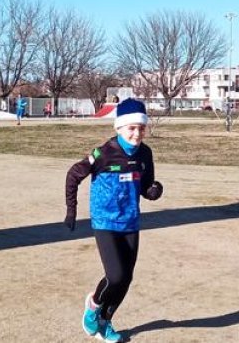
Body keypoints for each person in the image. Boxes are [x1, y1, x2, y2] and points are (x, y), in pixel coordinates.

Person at [64, 98, 163, 342]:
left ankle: (105, 321)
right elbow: (73, 175)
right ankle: (93, 305)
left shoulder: (145, 154)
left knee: (126, 278)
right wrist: (71, 210)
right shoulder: (104, 154)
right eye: (131, 128)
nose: (137, 133)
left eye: (141, 128)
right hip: (105, 221)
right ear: (118, 128)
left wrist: (153, 191)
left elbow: (145, 185)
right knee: (116, 275)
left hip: (131, 221)